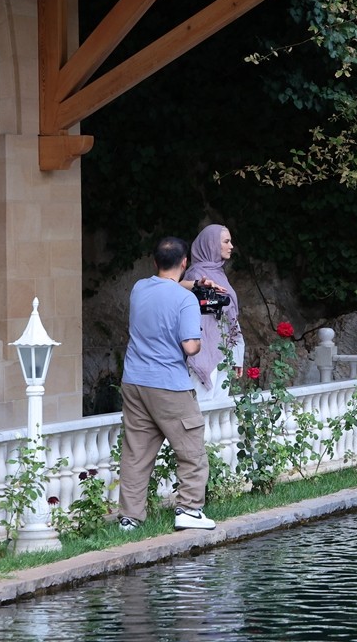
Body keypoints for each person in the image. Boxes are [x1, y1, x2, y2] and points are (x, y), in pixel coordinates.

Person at [118, 236, 218, 532]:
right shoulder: (184, 300)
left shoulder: (139, 288)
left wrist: (197, 287)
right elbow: (190, 346)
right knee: (191, 449)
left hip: (134, 381)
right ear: (185, 262)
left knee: (136, 451)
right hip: (169, 385)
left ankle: (129, 517)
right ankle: (189, 509)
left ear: (154, 262)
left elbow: (167, 288)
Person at [184, 224, 243, 402]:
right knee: (203, 408)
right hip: (202, 352)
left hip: (222, 351)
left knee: (219, 408)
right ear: (211, 244)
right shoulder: (195, 275)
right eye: (226, 241)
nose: (231, 246)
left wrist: (237, 354)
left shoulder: (218, 273)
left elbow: (231, 317)